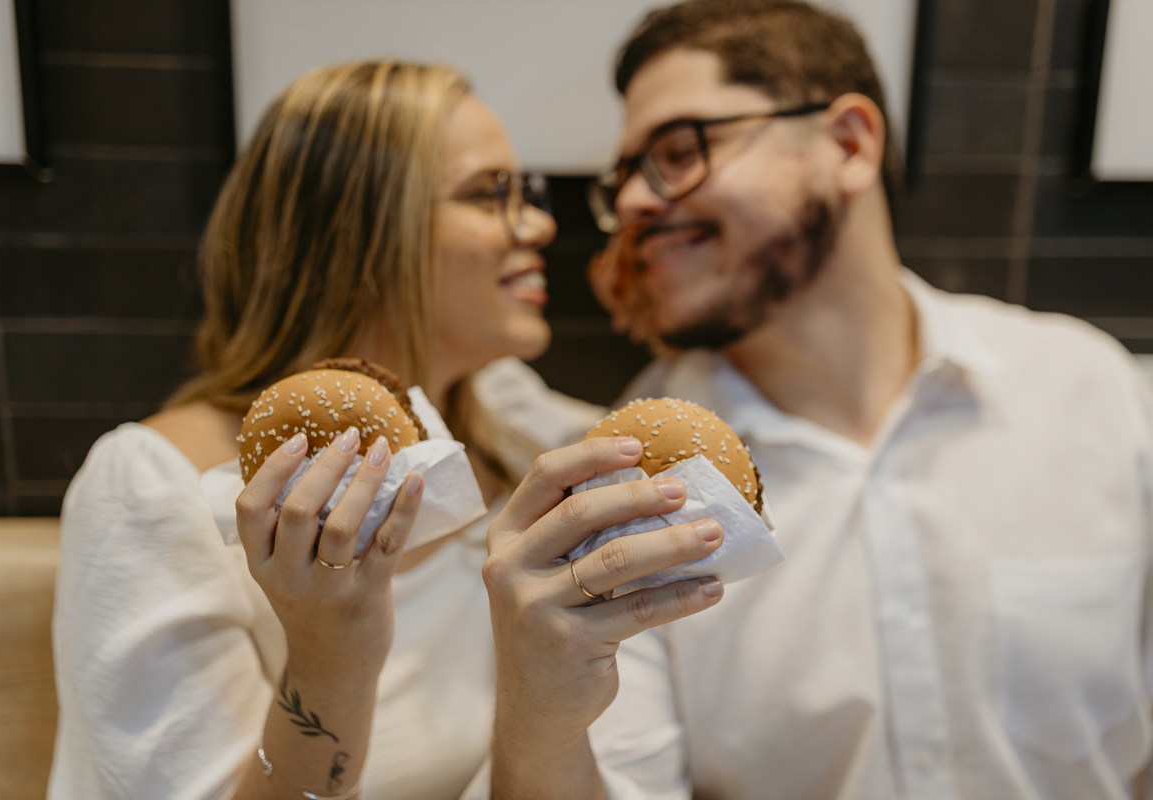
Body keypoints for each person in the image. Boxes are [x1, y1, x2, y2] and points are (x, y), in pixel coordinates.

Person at [482, 1, 1153, 798]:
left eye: (679, 151)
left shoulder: (1092, 392)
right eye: (624, 176)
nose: (632, 204)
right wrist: (539, 716)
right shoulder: (625, 497)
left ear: (849, 144)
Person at [48, 59, 620, 800]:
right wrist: (330, 665)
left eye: (526, 193)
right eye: (489, 194)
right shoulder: (156, 486)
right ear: (360, 233)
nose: (540, 223)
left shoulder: (519, 444)